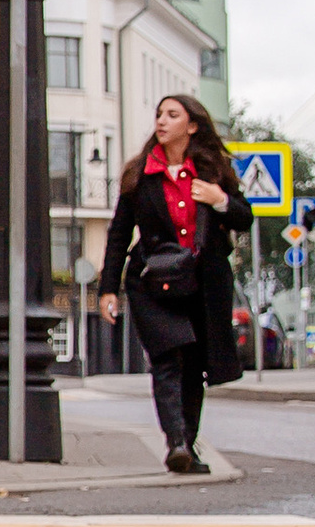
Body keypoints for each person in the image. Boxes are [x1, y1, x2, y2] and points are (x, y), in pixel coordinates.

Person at [98, 88, 251, 477]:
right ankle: (176, 443)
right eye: (159, 115)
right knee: (169, 359)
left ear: (193, 125)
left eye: (172, 115)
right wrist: (108, 289)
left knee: (194, 363)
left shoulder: (213, 173)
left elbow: (243, 218)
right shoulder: (140, 175)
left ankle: (187, 442)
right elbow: (119, 234)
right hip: (152, 282)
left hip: (202, 283)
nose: (162, 122)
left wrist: (219, 200)